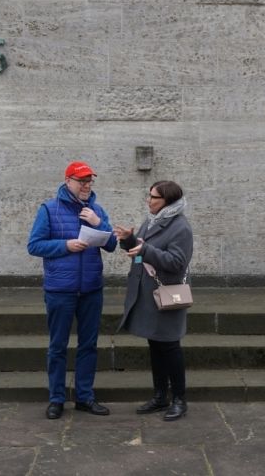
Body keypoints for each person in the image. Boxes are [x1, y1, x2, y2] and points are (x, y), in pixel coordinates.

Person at [27, 161, 117, 420]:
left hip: (91, 289)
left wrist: (99, 224)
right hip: (60, 290)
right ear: (68, 181)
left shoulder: (97, 210)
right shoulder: (49, 209)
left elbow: (111, 245)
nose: (86, 186)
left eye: (89, 181)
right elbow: (34, 245)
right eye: (81, 181)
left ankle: (85, 397)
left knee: (88, 345)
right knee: (58, 346)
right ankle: (56, 399)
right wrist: (66, 245)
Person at [114, 180, 193, 421]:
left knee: (170, 347)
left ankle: (179, 399)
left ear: (167, 201)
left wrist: (144, 250)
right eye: (148, 195)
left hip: (167, 294)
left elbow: (177, 262)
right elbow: (140, 248)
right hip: (148, 295)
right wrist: (128, 240)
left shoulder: (180, 227)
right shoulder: (152, 220)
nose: (149, 200)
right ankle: (160, 396)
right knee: (156, 345)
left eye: (154, 197)